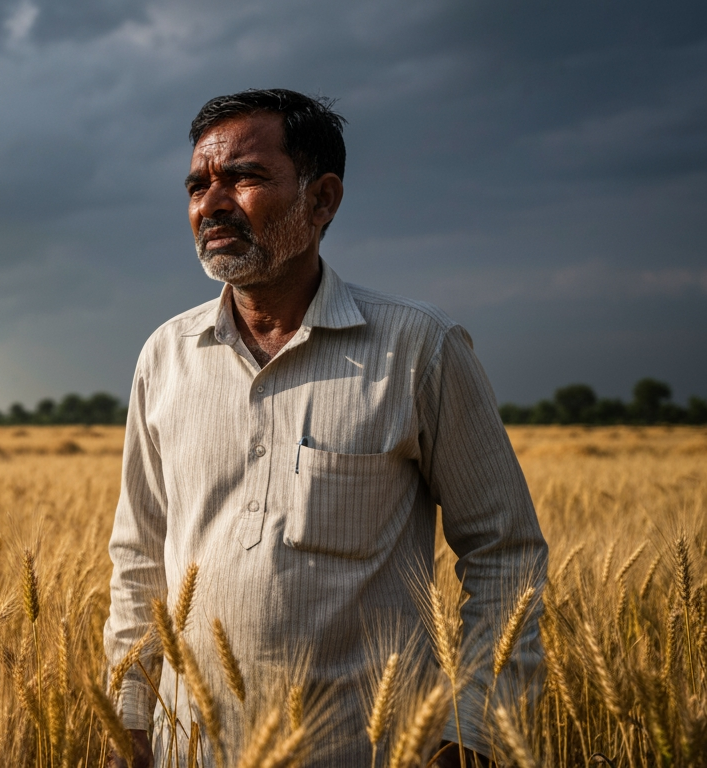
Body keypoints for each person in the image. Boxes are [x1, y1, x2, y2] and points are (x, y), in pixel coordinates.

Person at [102, 89, 547, 767]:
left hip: (367, 751)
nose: (212, 204)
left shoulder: (417, 347)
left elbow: (505, 552)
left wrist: (473, 732)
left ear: (322, 200)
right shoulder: (165, 355)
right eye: (198, 184)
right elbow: (139, 559)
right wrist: (131, 719)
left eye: (244, 178)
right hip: (188, 751)